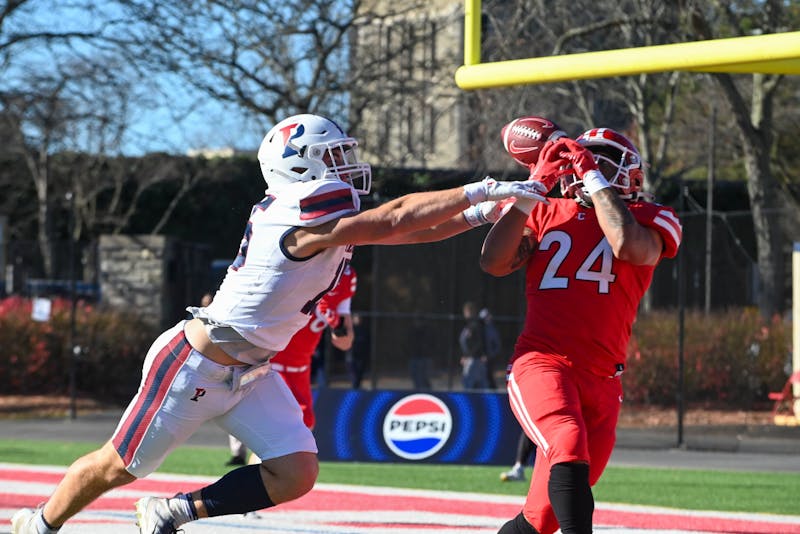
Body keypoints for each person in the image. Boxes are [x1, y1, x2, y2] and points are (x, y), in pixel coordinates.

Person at [11, 113, 548, 534]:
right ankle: (40, 522)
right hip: (196, 363)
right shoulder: (295, 211)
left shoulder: (321, 213)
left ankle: (173, 511)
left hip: (250, 372)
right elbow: (395, 217)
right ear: (298, 166)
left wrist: (483, 215)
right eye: (331, 156)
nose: (344, 164)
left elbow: (401, 231)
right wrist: (482, 190)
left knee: (296, 472)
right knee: (119, 466)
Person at [481, 127, 682, 534]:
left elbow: (628, 246)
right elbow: (493, 261)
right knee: (567, 443)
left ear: (630, 173)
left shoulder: (654, 217)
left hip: (605, 380)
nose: (586, 164)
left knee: (541, 519)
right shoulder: (543, 210)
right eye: (585, 158)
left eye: (604, 160)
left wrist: (594, 176)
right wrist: (534, 186)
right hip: (542, 361)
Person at [225, 264, 358, 466]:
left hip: (300, 365)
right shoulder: (302, 264)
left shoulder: (346, 275)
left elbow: (345, 341)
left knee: (304, 424)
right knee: (274, 429)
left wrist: (337, 325)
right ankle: (254, 480)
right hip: (271, 358)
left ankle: (262, 479)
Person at [459, 301, 489, 390]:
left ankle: (473, 402)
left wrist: (468, 356)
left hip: (474, 359)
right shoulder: (470, 325)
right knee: (479, 384)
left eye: (466, 312)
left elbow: (479, 342)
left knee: (469, 383)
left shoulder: (475, 325)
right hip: (474, 358)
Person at [480, 307, 502, 389]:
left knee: (488, 376)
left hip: (489, 358)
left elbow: (497, 345)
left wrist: (489, 355)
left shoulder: (492, 330)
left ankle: (492, 393)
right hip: (482, 357)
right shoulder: (479, 328)